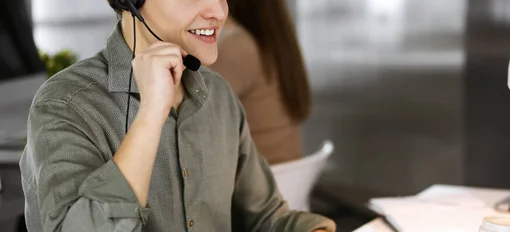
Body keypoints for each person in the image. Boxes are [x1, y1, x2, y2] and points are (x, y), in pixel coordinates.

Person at [18, 0, 335, 231]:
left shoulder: (218, 96)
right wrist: (151, 113)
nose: (219, 11)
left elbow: (265, 218)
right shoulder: (66, 105)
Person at [208, 0, 311, 165]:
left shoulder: (238, 48)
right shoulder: (277, 43)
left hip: (259, 182)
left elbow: (192, 117)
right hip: (287, 180)